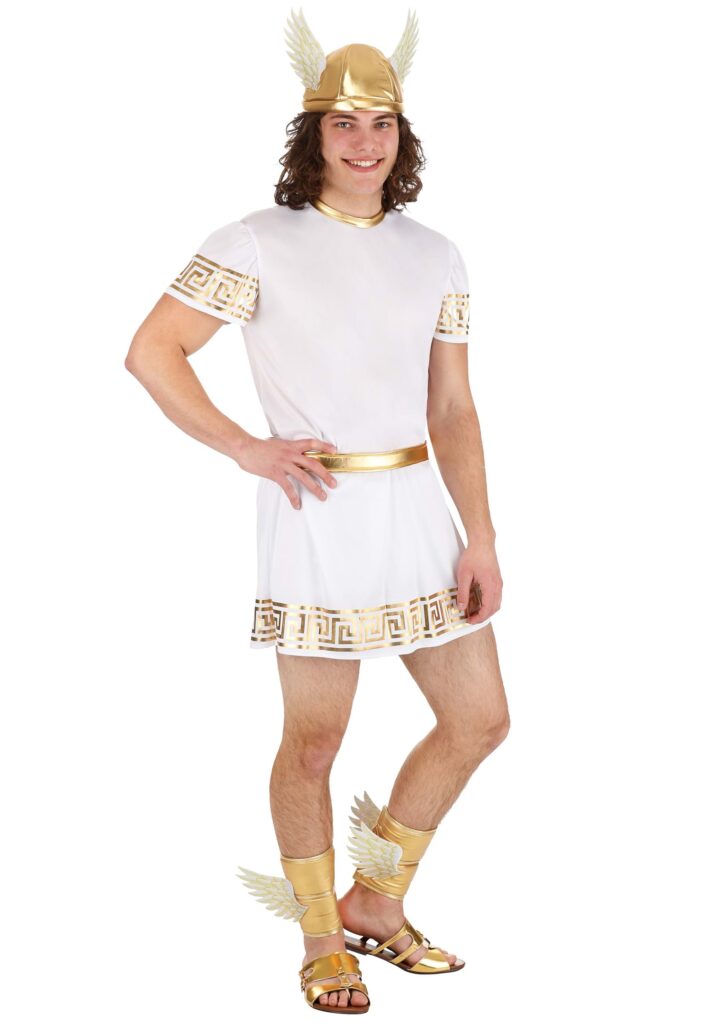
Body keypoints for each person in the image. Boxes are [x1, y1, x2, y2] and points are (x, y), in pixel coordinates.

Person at [125, 8, 510, 1014]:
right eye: (343, 123)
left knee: (478, 719)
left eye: (380, 124)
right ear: (314, 134)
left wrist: (480, 534)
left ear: (401, 135)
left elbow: (453, 408)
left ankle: (375, 901)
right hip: (318, 510)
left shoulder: (437, 253)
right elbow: (153, 351)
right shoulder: (255, 241)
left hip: (418, 511)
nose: (362, 142)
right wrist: (245, 446)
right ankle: (319, 940)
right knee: (313, 742)